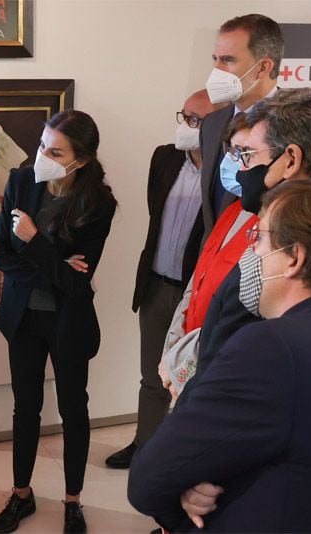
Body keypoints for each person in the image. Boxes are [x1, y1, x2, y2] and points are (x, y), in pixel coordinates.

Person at [128, 178, 311, 532]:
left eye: (259, 237)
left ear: (295, 258)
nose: (252, 252)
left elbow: (149, 478)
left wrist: (187, 495)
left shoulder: (272, 347)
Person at [162, 88, 311, 401]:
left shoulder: (275, 260)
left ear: (291, 160)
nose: (241, 169)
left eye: (247, 155)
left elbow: (228, 371)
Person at [0, 110, 117, 533]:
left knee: (72, 410)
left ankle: (72, 500)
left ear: (79, 160)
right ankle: (21, 494)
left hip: (68, 322)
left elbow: (77, 288)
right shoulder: (21, 181)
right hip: (24, 317)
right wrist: (57, 264)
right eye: (43, 144)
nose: (42, 154)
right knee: (25, 407)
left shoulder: (99, 204)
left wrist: (35, 242)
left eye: (54, 150)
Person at [105, 90, 224, 469]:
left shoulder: (227, 172)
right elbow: (156, 217)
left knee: (194, 381)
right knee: (151, 376)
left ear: (221, 126)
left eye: (196, 120)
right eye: (184, 116)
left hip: (199, 293)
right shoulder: (164, 157)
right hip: (157, 285)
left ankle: (182, 457)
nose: (186, 126)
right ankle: (145, 447)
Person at [159, 113, 256, 400]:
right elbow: (196, 284)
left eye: (244, 153)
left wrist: (184, 365)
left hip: (215, 369)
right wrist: (172, 351)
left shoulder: (272, 228)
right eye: (231, 151)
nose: (233, 161)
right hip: (186, 360)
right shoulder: (231, 212)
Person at [200, 13, 283, 235]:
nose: (216, 70)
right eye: (215, 59)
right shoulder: (211, 124)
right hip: (212, 260)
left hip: (262, 257)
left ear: (263, 67)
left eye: (227, 60)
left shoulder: (296, 125)